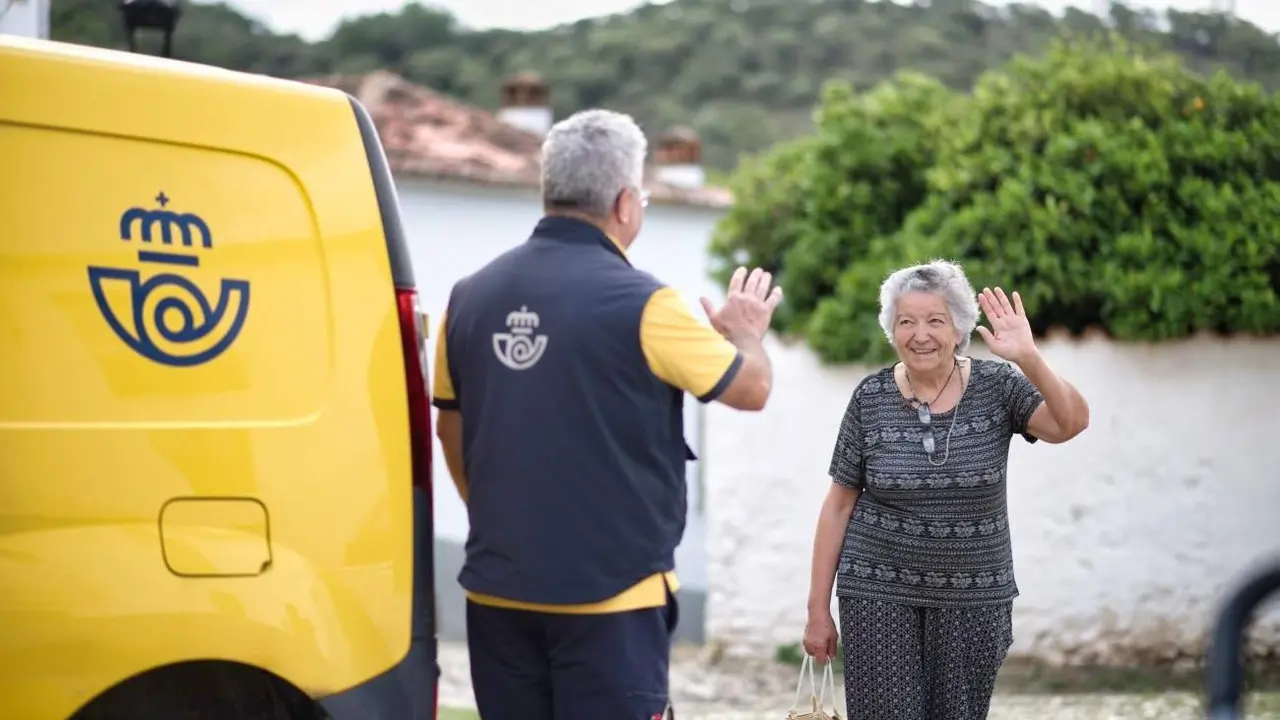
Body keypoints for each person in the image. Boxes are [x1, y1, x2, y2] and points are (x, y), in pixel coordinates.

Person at [431, 108, 783, 720]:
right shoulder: (646, 303)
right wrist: (746, 332)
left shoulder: (468, 296)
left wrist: (503, 518)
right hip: (613, 601)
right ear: (625, 203)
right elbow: (750, 389)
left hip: (498, 593)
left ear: (550, 192)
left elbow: (450, 426)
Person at [802, 260, 1090, 720]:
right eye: (906, 322)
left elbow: (1070, 424)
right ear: (890, 329)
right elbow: (838, 506)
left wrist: (1029, 358)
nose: (920, 334)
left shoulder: (999, 386)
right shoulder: (870, 398)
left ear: (959, 328)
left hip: (973, 596)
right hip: (877, 590)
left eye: (935, 320)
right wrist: (818, 610)